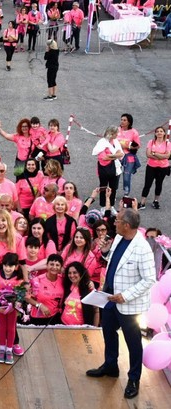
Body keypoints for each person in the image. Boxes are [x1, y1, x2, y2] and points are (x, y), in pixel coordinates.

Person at [86, 208, 155, 399]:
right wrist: (106, 251)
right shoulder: (118, 237)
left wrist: (125, 296)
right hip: (110, 298)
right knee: (108, 331)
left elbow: (149, 279)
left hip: (128, 305)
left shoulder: (143, 248)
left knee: (133, 343)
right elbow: (115, 262)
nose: (113, 223)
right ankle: (110, 365)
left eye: (116, 221)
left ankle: (134, 378)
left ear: (126, 225)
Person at [92, 126, 124, 208]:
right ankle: (103, 206)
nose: (117, 134)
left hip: (115, 168)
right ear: (111, 133)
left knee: (113, 188)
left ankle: (112, 205)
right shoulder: (102, 142)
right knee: (103, 187)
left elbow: (121, 154)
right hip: (104, 168)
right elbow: (104, 157)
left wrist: (112, 156)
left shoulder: (116, 141)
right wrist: (116, 155)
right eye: (116, 133)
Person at [139, 127, 170, 210]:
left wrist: (154, 153)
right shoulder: (151, 142)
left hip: (163, 167)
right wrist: (161, 156)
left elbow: (167, 156)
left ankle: (156, 201)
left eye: (161, 131)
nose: (159, 133)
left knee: (159, 184)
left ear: (164, 133)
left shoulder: (168, 144)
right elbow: (148, 154)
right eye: (157, 131)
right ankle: (142, 202)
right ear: (155, 133)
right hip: (151, 167)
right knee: (147, 184)